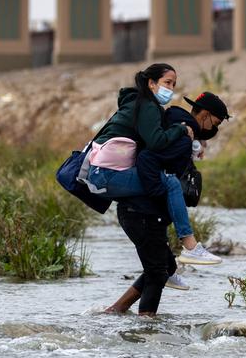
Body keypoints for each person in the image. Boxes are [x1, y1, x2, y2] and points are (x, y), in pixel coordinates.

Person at [83, 64, 221, 268]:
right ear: (151, 83)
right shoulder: (147, 106)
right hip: (105, 174)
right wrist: (181, 130)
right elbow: (156, 141)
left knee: (163, 191)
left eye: (174, 84)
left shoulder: (143, 103)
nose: (171, 88)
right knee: (171, 184)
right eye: (167, 82)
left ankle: (170, 270)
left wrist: (196, 141)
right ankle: (190, 247)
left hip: (105, 172)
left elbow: (156, 136)